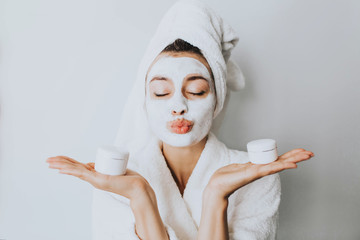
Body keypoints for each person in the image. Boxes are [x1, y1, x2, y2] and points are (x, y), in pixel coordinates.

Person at [46, 1, 314, 240]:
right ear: (145, 101)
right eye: (161, 92)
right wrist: (141, 196)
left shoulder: (257, 177)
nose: (178, 107)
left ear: (217, 99)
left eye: (196, 91)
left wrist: (216, 196)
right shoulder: (115, 183)